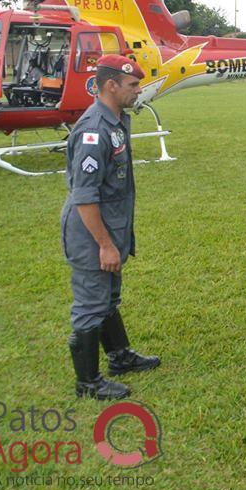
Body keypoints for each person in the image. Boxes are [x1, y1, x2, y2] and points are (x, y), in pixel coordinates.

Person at [61, 55, 160, 400]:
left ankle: (119, 357)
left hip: (111, 228)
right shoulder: (94, 131)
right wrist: (104, 244)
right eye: (133, 85)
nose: (138, 91)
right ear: (111, 86)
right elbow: (84, 197)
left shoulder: (117, 121)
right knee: (91, 303)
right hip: (92, 233)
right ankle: (87, 382)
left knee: (108, 297)